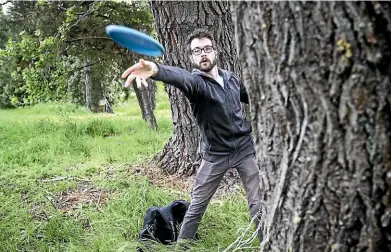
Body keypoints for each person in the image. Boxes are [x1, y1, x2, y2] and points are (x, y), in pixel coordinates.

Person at [122, 29, 262, 247]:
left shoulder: (231, 79)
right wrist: (157, 70)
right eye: (196, 51)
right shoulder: (197, 84)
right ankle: (183, 247)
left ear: (216, 51)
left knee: (258, 203)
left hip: (244, 149)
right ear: (191, 57)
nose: (203, 54)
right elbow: (181, 78)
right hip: (216, 155)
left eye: (207, 48)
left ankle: (269, 244)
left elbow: (253, 96)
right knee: (196, 206)